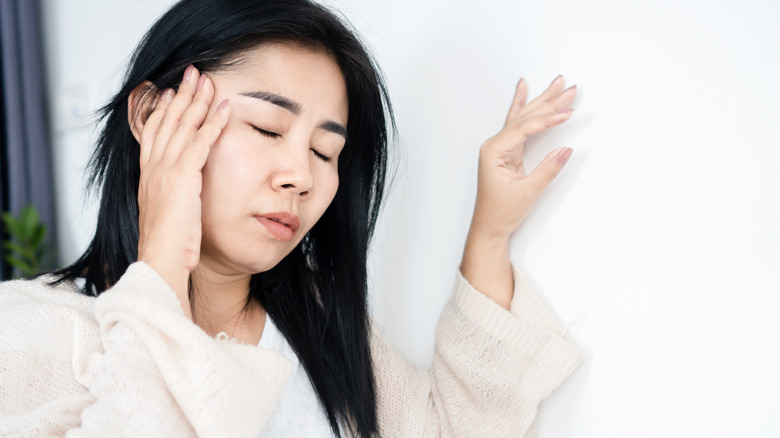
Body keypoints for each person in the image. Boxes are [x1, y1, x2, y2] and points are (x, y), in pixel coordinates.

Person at [0, 0, 582, 436]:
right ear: (155, 115)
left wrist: (490, 232)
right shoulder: (25, 334)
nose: (301, 176)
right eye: (267, 129)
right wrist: (162, 270)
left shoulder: (316, 325)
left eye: (325, 152)